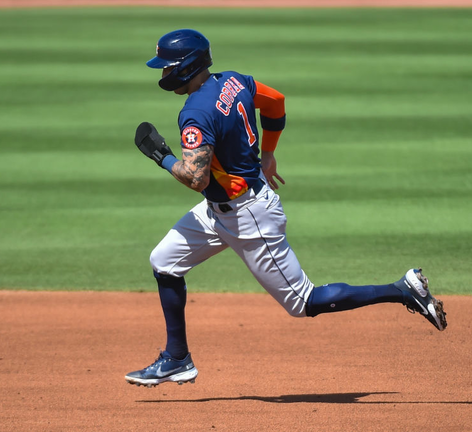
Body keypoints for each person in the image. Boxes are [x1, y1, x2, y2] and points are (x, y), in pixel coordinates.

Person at [125, 29, 447, 388]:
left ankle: (402, 289)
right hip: (219, 210)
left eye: (167, 68)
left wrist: (161, 156)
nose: (163, 75)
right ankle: (177, 359)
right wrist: (269, 152)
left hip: (248, 217)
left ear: (186, 67)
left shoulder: (195, 113)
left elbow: (196, 177)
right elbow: (275, 101)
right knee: (165, 261)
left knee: (304, 301)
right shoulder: (234, 81)